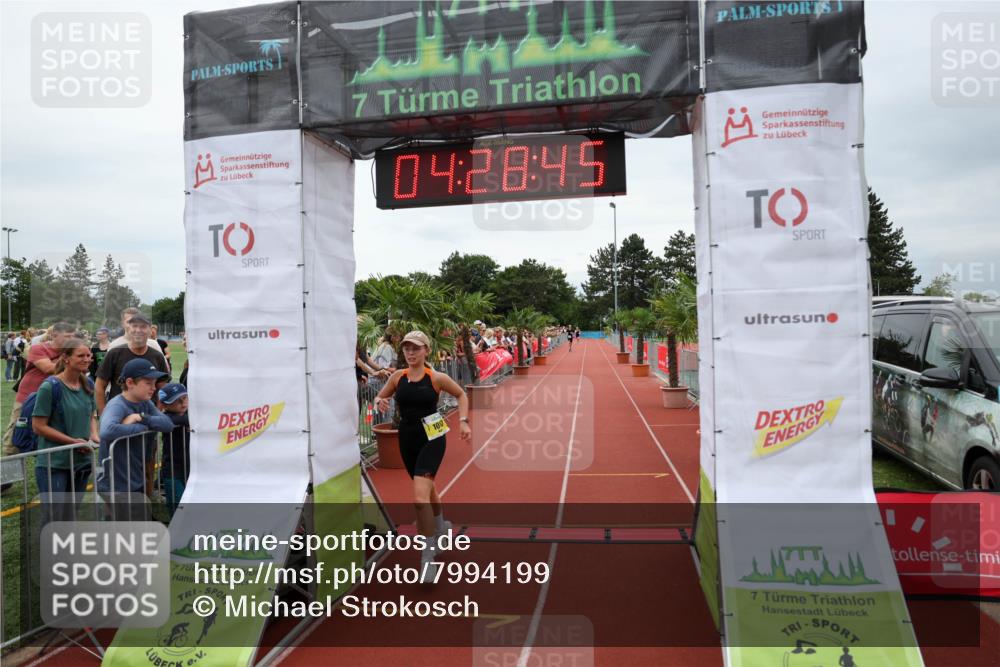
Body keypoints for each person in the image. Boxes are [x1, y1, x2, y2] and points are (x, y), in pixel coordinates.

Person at [373, 331, 470, 582]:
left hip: (433, 435)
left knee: (418, 498)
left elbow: (461, 394)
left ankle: (428, 556)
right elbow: (380, 396)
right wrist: (379, 401)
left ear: (426, 350)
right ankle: (441, 527)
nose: (411, 353)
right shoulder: (397, 377)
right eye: (407, 348)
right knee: (427, 490)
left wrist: (464, 421)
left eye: (416, 348)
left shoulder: (436, 377)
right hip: (407, 436)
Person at [31, 337, 100, 522]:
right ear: (66, 358)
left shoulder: (88, 384)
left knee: (71, 514)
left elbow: (91, 414)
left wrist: (94, 435)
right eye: (81, 355)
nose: (87, 359)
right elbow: (38, 426)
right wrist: (72, 443)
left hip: (81, 461)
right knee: (54, 516)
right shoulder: (50, 386)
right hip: (55, 463)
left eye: (89, 355)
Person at [97, 359, 173, 514]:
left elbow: (167, 424)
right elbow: (107, 431)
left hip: (135, 477)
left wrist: (141, 418)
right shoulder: (118, 405)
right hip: (116, 482)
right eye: (148, 383)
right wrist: (144, 426)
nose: (153, 388)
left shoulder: (145, 404)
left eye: (154, 383)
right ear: (130, 382)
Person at [4, 322, 75, 455]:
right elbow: (48, 368)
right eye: (67, 336)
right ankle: (11, 463)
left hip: (53, 397)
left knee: (51, 430)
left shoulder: (71, 351)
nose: (71, 340)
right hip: (28, 396)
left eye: (72, 336)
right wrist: (69, 358)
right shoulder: (39, 348)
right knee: (17, 430)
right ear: (54, 335)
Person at [95, 312, 170, 414]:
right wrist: (104, 414)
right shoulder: (114, 353)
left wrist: (157, 413)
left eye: (143, 327)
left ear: (150, 330)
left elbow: (162, 389)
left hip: (147, 417)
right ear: (128, 329)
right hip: (119, 415)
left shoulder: (157, 356)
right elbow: (99, 386)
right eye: (134, 326)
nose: (138, 330)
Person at [157, 383, 190, 516]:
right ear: (165, 405)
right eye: (177, 401)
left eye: (184, 398)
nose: (182, 404)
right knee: (178, 508)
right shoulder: (166, 418)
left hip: (191, 469)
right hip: (173, 471)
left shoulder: (191, 415)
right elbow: (166, 421)